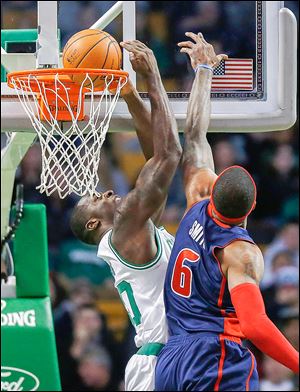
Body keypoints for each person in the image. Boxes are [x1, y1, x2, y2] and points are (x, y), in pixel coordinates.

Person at [155, 32, 299, 391]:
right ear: (252, 206)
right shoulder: (241, 252)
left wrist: (203, 70)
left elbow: (196, 135)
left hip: (172, 358)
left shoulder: (197, 198)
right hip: (214, 356)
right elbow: (254, 325)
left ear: (213, 190)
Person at [70, 40, 182, 391]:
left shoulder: (135, 229)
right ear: (94, 224)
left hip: (170, 354)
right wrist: (152, 78)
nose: (105, 191)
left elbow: (154, 157)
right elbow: (169, 155)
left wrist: (130, 95)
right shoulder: (122, 232)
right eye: (95, 198)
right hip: (158, 360)